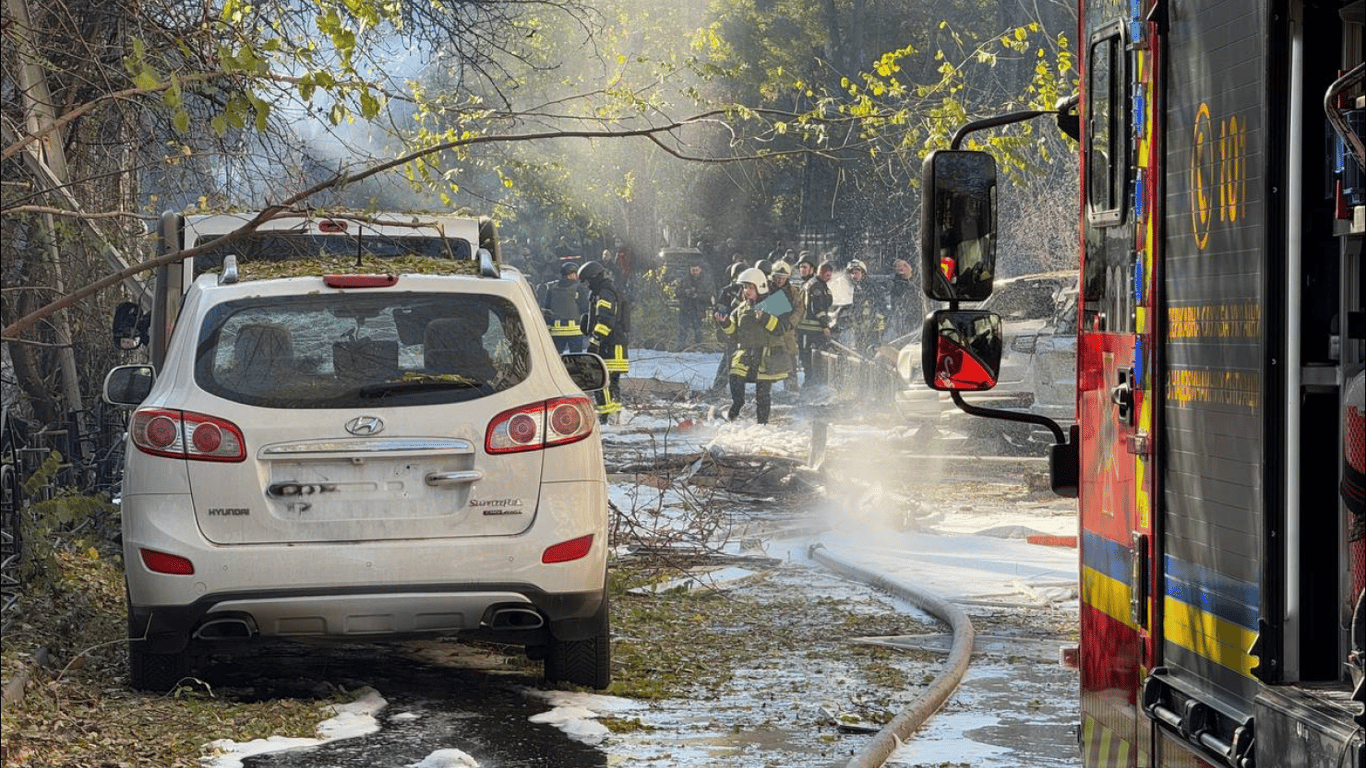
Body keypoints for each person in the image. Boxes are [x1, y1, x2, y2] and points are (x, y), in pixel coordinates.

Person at [714, 267, 792, 424]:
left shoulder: (774, 303)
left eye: (750, 287)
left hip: (765, 355)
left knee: (762, 394)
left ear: (760, 287)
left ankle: (762, 424)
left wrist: (765, 318)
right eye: (744, 287)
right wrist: (725, 323)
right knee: (735, 377)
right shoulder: (741, 308)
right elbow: (734, 333)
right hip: (745, 353)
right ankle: (735, 411)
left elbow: (782, 329)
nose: (746, 291)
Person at [578, 261, 630, 423]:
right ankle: (614, 417)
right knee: (610, 383)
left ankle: (608, 418)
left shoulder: (605, 293)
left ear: (594, 278)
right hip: (613, 345)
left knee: (603, 382)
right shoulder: (603, 290)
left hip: (610, 346)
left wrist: (595, 341)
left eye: (587, 281)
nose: (586, 285)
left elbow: (606, 320)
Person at [797, 261, 835, 387]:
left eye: (830, 275)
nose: (828, 278)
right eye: (827, 275)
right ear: (821, 272)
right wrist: (825, 326)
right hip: (811, 329)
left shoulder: (818, 284)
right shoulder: (817, 286)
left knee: (809, 357)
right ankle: (812, 383)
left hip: (809, 329)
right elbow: (817, 308)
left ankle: (811, 382)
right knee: (811, 357)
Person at [769, 261, 804, 391]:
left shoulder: (792, 291)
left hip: (787, 331)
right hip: (770, 330)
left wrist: (791, 322)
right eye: (777, 276)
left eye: (782, 277)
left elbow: (799, 308)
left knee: (791, 358)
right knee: (768, 358)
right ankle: (766, 389)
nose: (779, 280)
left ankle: (792, 388)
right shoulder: (767, 289)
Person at [539, 261, 588, 353]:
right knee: (576, 358)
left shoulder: (551, 287)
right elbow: (584, 308)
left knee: (558, 359)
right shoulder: (579, 288)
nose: (575, 276)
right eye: (572, 274)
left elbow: (547, 308)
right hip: (575, 331)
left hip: (557, 331)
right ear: (566, 275)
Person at [844, 259, 886, 354]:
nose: (853, 276)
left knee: (871, 352)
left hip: (871, 329)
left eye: (856, 272)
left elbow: (880, 307)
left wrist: (879, 327)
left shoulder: (872, 286)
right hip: (858, 330)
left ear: (863, 273)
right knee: (859, 353)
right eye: (852, 273)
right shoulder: (852, 288)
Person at [673, 259, 713, 347]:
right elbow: (677, 292)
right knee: (682, 329)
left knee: (698, 330)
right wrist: (685, 292)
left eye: (696, 270)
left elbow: (709, 296)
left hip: (698, 309)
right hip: (685, 308)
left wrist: (697, 295)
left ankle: (699, 347)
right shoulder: (685, 280)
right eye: (693, 270)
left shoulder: (706, 281)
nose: (694, 272)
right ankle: (681, 346)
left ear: (700, 270)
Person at [887, 258, 919, 340]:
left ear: (907, 266)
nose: (901, 272)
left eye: (902, 268)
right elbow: (895, 300)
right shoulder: (898, 284)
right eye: (898, 270)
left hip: (918, 312)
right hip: (906, 315)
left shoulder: (920, 278)